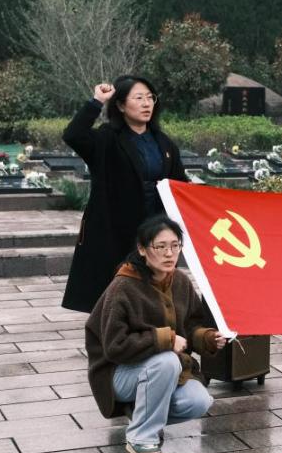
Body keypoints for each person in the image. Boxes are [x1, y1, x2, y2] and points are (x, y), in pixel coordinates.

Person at [85, 216, 227, 453]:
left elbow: (191, 325)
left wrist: (208, 338)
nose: (169, 253)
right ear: (142, 249)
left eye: (175, 245)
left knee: (199, 401)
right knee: (167, 360)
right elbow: (115, 346)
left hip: (158, 372)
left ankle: (141, 413)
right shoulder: (123, 287)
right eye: (160, 246)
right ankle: (141, 437)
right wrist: (165, 340)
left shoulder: (180, 281)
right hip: (118, 373)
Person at [61, 76, 188, 312]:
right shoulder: (107, 138)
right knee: (117, 287)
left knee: (154, 285)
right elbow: (73, 135)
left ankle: (151, 326)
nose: (146, 103)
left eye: (150, 97)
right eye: (138, 98)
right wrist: (97, 101)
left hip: (155, 226)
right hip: (115, 226)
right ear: (120, 105)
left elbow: (180, 183)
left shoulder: (164, 143)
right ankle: (116, 328)